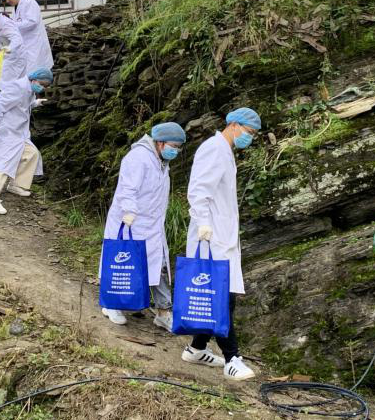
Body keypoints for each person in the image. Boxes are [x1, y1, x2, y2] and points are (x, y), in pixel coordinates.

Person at [180, 107, 261, 382]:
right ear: (234, 125)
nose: (249, 138)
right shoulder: (214, 148)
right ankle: (232, 359)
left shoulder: (225, 151)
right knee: (221, 299)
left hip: (220, 236)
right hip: (210, 236)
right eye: (249, 133)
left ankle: (196, 348)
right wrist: (203, 223)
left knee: (222, 297)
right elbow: (198, 190)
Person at [100, 122, 187, 332]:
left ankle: (163, 313)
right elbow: (128, 188)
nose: (175, 150)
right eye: (173, 145)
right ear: (159, 142)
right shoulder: (138, 158)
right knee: (122, 263)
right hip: (130, 221)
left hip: (152, 225)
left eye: (179, 147)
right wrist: (129, 211)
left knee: (160, 267)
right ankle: (112, 304)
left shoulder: (161, 161)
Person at [0, 68, 54, 215]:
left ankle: (16, 184)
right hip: (5, 131)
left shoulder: (29, 90)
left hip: (18, 133)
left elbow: (22, 105)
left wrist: (35, 103)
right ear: (34, 80)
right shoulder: (17, 87)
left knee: (31, 153)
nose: (42, 88)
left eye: (45, 86)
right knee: (2, 163)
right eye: (42, 84)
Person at [0, 0, 54, 73]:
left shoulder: (30, 3)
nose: (7, 1)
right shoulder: (15, 8)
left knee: (35, 71)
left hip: (34, 44)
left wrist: (12, 24)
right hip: (25, 45)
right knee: (26, 72)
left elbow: (32, 22)